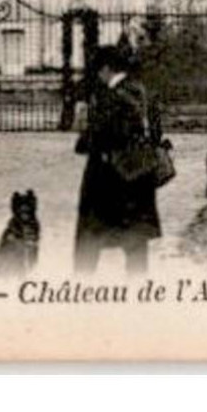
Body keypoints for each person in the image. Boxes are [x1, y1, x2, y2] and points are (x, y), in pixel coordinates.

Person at [74, 42, 162, 275]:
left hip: (108, 179)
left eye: (98, 71)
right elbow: (156, 133)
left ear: (105, 69)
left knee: (88, 239)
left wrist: (84, 137)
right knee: (135, 242)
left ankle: (77, 291)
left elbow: (99, 137)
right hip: (139, 177)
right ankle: (138, 294)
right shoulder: (144, 92)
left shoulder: (109, 97)